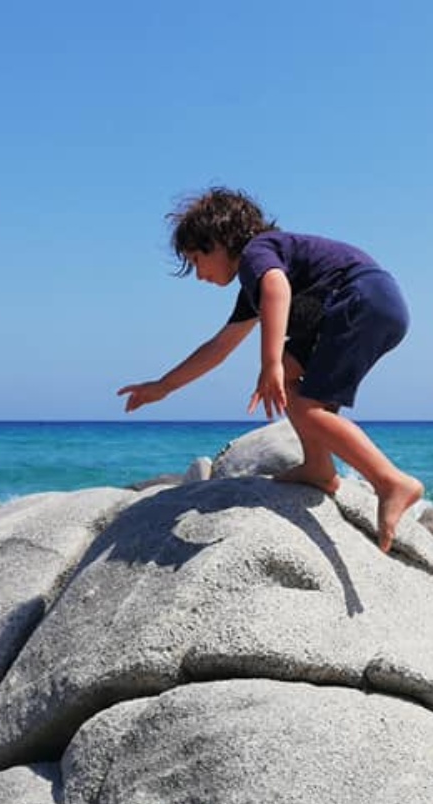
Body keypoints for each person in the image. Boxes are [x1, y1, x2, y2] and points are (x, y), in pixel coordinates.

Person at [118, 187, 423, 554]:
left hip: (357, 302)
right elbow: (220, 346)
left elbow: (277, 288)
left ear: (219, 241)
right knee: (296, 385)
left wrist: (271, 362)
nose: (198, 275)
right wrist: (162, 387)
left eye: (197, 259)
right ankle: (319, 467)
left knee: (305, 404)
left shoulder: (256, 254)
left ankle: (390, 481)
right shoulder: (252, 285)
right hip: (368, 303)